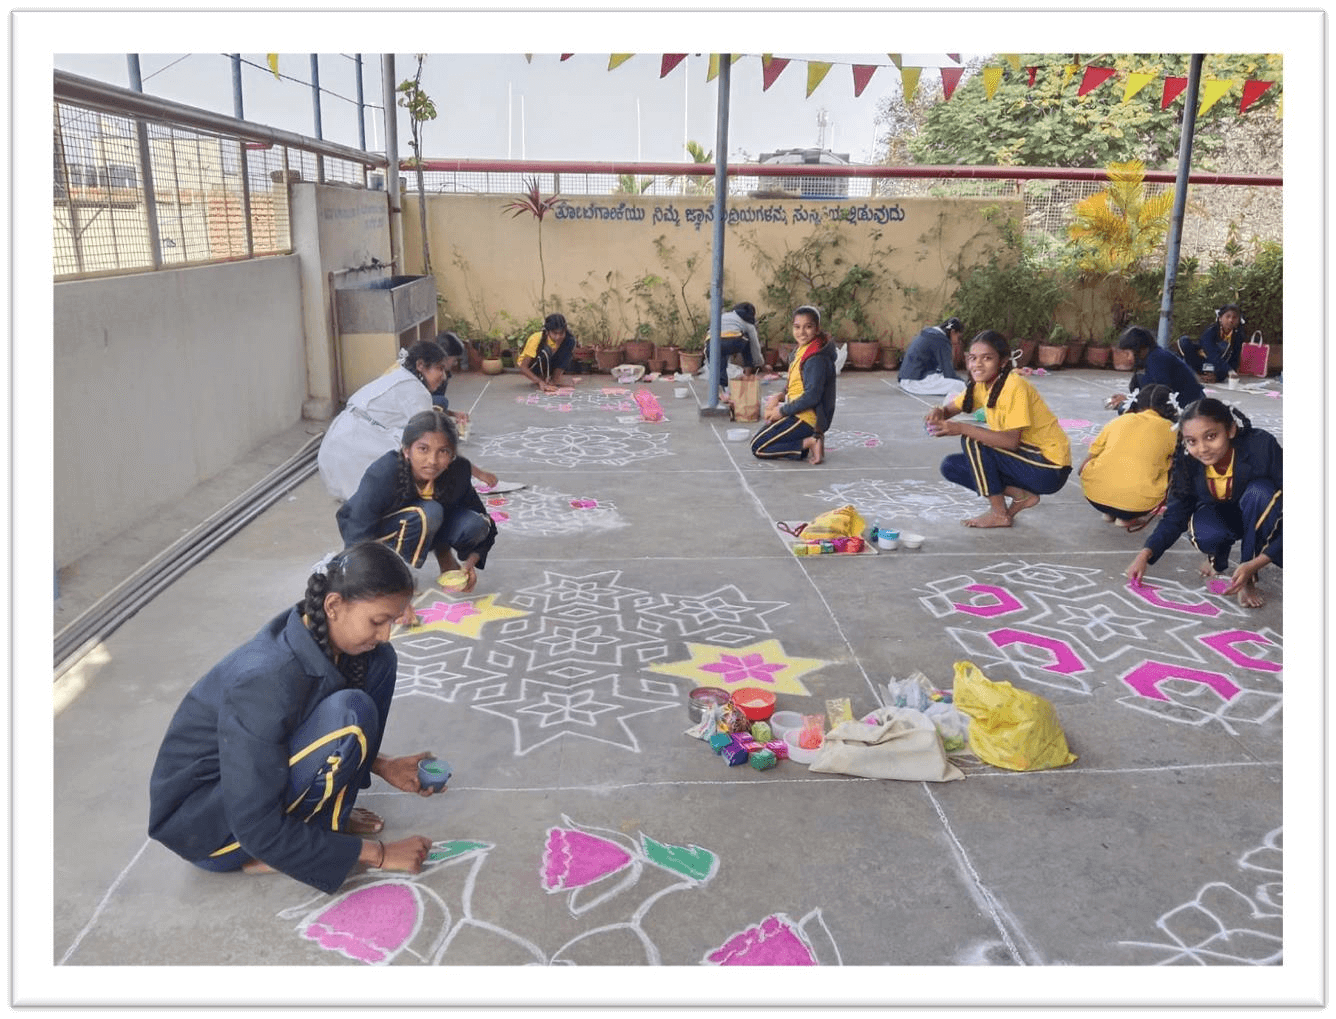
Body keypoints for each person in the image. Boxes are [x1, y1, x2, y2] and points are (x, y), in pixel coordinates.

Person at [147, 541, 441, 894]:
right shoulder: (268, 678)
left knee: (379, 662)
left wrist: (382, 764)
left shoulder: (317, 632)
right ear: (333, 606)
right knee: (351, 711)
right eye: (378, 621)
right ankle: (290, 848)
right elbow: (254, 824)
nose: (386, 633)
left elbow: (287, 733)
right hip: (212, 829)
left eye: (393, 620)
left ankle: (321, 822)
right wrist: (375, 854)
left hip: (250, 786)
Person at [336, 410, 498, 621]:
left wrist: (470, 563)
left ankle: (443, 553)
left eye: (443, 451)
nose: (432, 460)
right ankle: (397, 571)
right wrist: (391, 592)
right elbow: (357, 533)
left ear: (452, 456)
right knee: (429, 512)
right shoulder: (384, 472)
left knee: (474, 524)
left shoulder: (458, 471)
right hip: (376, 531)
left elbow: (486, 522)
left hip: (424, 522)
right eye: (423, 449)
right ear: (406, 450)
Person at [1126, 397, 1282, 609]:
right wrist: (1146, 553)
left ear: (1231, 430)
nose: (1202, 449)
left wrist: (1257, 563)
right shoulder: (1188, 461)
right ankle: (1218, 556)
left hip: (1263, 514)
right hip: (1225, 515)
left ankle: (1248, 578)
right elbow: (1176, 514)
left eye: (1211, 436)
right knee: (1205, 532)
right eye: (1192, 441)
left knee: (1260, 493)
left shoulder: (1260, 446)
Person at [317, 338, 496, 503]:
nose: (443, 377)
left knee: (416, 443)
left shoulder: (401, 376)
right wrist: (479, 474)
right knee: (423, 451)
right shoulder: (416, 390)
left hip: (338, 443)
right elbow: (438, 440)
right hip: (352, 447)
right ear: (420, 366)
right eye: (439, 369)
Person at [926, 329, 1072, 528]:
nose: (977, 364)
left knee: (973, 440)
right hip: (1027, 462)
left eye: (987, 358)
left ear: (1002, 362)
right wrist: (937, 411)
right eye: (973, 358)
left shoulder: (1013, 386)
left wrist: (960, 427)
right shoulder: (982, 385)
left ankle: (999, 513)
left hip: (1048, 468)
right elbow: (950, 409)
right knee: (952, 466)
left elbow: (1010, 442)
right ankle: (1022, 496)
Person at [1079, 383, 1178, 531]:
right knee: (1172, 462)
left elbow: (1090, 457)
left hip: (1094, 497)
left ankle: (1109, 513)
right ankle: (1126, 518)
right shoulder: (1172, 429)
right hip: (1137, 505)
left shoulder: (1119, 421)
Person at [751, 305, 837, 464]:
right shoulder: (801, 350)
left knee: (758, 447)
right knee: (760, 440)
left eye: (808, 327)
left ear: (817, 329)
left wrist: (782, 411)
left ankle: (810, 442)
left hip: (806, 418)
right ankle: (803, 445)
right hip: (796, 411)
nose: (802, 332)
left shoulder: (816, 358)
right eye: (797, 327)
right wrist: (780, 396)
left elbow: (812, 396)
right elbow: (796, 382)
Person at [1108, 326, 1204, 413]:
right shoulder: (1144, 362)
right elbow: (1139, 391)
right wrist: (1127, 400)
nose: (1127, 358)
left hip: (1189, 410)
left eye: (1128, 353)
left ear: (1141, 349)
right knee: (1124, 409)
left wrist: (1128, 403)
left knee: (1125, 411)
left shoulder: (1157, 359)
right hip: (1175, 407)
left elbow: (1159, 397)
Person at [898, 316, 967, 400]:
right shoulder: (941, 340)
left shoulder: (931, 333)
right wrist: (964, 383)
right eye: (959, 338)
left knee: (944, 377)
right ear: (952, 332)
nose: (958, 341)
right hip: (914, 382)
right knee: (960, 386)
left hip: (906, 378)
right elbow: (948, 372)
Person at [710, 302, 763, 404]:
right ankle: (747, 376)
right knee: (748, 342)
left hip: (711, 342)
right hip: (733, 341)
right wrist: (760, 363)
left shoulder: (724, 316)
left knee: (719, 358)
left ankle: (721, 391)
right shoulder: (747, 322)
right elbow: (755, 346)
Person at [1177, 304, 1244, 382]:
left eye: (1234, 317)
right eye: (1227, 316)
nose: (1230, 320)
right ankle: (1193, 374)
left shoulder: (1238, 336)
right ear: (1220, 318)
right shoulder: (1210, 331)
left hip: (1217, 368)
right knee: (1184, 340)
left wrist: (1218, 377)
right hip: (1200, 362)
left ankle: (1209, 376)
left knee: (1225, 347)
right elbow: (1211, 353)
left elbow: (1234, 359)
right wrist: (1229, 371)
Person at [517, 313, 576, 393]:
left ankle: (553, 380)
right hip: (533, 366)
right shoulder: (537, 338)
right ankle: (541, 379)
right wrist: (540, 382)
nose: (558, 337)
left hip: (550, 364)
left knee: (567, 347)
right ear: (547, 331)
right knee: (546, 351)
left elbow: (563, 358)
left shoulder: (568, 339)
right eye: (555, 333)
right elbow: (523, 367)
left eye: (561, 333)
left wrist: (554, 381)